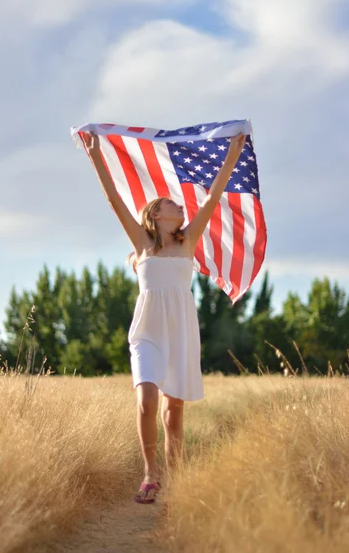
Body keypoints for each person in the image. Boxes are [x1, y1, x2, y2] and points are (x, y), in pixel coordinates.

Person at [79, 130, 246, 504]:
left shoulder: (188, 242)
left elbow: (214, 197)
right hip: (148, 331)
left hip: (181, 330)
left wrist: (232, 155)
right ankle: (150, 474)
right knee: (147, 400)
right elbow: (113, 200)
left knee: (174, 411)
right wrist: (95, 155)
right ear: (157, 213)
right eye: (173, 203)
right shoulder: (142, 243)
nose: (181, 208)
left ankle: (176, 478)